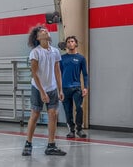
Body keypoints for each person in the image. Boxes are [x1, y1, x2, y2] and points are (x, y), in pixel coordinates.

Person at [22, 25, 67, 156]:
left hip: (52, 87)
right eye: (42, 31)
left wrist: (60, 90)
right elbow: (34, 74)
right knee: (35, 114)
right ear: (37, 37)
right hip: (38, 87)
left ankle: (51, 145)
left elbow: (57, 72)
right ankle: (28, 144)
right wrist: (42, 91)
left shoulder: (55, 51)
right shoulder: (35, 52)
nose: (45, 31)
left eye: (46, 30)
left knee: (53, 114)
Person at [60, 35, 89, 138]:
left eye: (72, 41)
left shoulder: (81, 58)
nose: (70, 43)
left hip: (76, 87)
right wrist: (59, 89)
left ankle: (79, 129)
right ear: (66, 44)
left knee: (79, 108)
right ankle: (71, 130)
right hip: (64, 88)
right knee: (67, 110)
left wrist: (85, 87)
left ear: (75, 44)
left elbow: (85, 74)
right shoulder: (62, 58)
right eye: (68, 42)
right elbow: (58, 74)